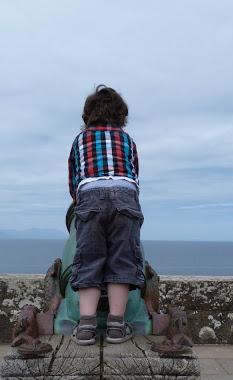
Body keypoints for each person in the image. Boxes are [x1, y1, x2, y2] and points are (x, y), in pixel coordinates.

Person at [67, 85, 144, 345]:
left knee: (89, 259)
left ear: (88, 116)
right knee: (122, 260)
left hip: (90, 195)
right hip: (125, 196)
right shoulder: (128, 140)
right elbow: (135, 175)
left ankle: (87, 325)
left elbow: (74, 180)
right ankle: (116, 326)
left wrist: (82, 205)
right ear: (121, 116)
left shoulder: (79, 140)